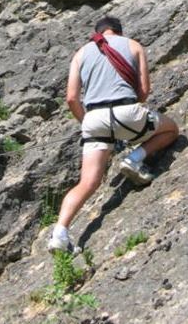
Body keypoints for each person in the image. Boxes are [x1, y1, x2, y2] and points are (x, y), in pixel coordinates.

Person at [47, 15, 179, 254]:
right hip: (127, 112)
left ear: (98, 33)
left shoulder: (80, 54)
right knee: (171, 129)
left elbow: (72, 98)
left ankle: (59, 234)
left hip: (94, 119)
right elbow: (144, 91)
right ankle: (135, 158)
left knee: (87, 182)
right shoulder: (133, 45)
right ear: (118, 31)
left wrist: (86, 122)